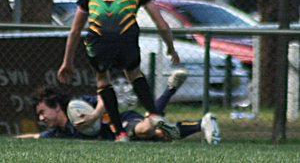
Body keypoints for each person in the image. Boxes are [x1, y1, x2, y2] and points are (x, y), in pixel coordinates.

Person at [57, 0, 180, 141]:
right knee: (133, 73)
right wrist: (170, 47)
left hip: (97, 40)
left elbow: (75, 31)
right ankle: (153, 113)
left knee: (103, 80)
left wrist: (67, 62)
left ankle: (120, 133)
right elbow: (161, 23)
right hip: (126, 38)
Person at [17, 70, 221, 144]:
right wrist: (14, 140)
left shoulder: (78, 107)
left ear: (56, 106)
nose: (41, 119)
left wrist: (95, 116)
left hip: (121, 123)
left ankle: (174, 95)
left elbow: (106, 97)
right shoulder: (58, 133)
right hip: (120, 139)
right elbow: (34, 138)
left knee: (146, 129)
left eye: (42, 112)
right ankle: (200, 121)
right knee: (162, 134)